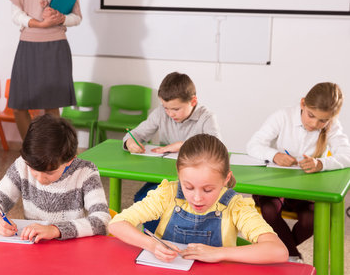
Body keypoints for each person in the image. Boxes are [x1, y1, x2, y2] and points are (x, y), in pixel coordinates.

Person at [109, 134, 288, 264]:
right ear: (178, 175)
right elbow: (116, 224)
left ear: (226, 179)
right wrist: (151, 245)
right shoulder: (167, 194)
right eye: (188, 187)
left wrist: (221, 253)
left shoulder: (235, 206)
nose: (197, 198)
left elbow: (278, 251)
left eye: (208, 189)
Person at [247, 82, 350, 261]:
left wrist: (321, 164)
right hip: (276, 185)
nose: (314, 123)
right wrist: (275, 155)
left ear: (330, 118)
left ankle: (283, 253)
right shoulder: (283, 116)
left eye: (322, 120)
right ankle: (292, 257)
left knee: (311, 220)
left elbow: (347, 155)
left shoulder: (332, 126)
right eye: (311, 115)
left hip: (306, 190)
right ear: (303, 103)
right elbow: (253, 145)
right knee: (269, 210)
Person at [0, 114, 110, 243]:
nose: (40, 178)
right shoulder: (22, 165)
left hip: (71, 249)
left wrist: (54, 230)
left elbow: (102, 220)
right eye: (34, 171)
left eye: (50, 173)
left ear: (69, 160)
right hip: (35, 248)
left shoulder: (86, 172)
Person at [8, 0, 82, 139]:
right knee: (19, 104)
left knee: (51, 107)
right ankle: (30, 150)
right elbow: (15, 13)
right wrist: (37, 24)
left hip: (55, 46)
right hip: (28, 45)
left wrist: (62, 18)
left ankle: (53, 152)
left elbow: (77, 17)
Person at [124, 72, 220, 232]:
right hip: (165, 176)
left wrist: (184, 146)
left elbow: (217, 148)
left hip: (196, 181)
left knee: (178, 205)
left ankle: (172, 239)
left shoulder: (206, 117)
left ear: (193, 101)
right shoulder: (161, 113)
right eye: (166, 108)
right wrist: (130, 142)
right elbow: (136, 133)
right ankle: (153, 242)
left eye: (175, 109)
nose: (170, 113)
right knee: (143, 199)